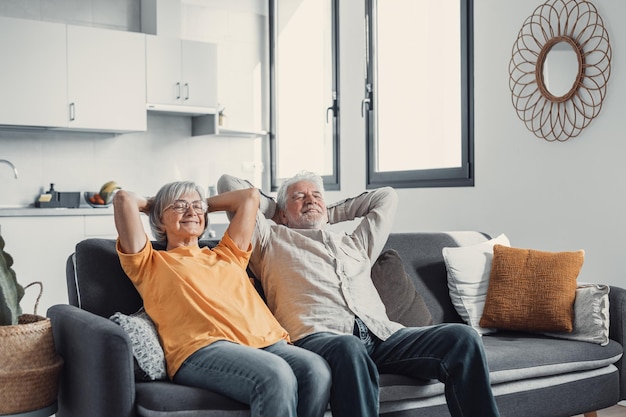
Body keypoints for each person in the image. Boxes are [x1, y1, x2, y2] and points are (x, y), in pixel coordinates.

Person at [218, 172, 501, 417]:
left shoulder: (355, 243)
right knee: (348, 347)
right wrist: (276, 209)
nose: (310, 200)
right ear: (280, 212)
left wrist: (325, 211)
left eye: (316, 195)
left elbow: (386, 197)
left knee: (462, 338)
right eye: (299, 197)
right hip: (320, 338)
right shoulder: (269, 240)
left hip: (384, 336)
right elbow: (229, 184)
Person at [113, 181, 331, 417]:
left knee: (317, 370)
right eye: (179, 207)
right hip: (201, 348)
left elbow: (249, 197)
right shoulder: (148, 263)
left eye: (197, 208)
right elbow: (123, 199)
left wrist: (197, 204)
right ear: (159, 220)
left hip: (265, 341)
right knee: (276, 374)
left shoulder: (228, 254)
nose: (191, 212)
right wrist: (158, 204)